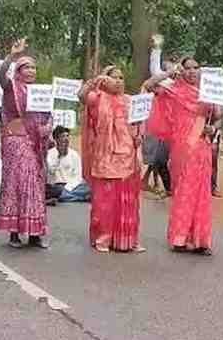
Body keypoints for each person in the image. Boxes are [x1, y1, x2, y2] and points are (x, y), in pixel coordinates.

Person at [145, 57, 222, 255]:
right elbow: (149, 85)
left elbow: (219, 116)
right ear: (182, 70)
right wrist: (169, 74)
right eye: (187, 68)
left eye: (195, 68)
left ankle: (200, 240)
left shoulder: (209, 92)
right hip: (182, 146)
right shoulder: (174, 90)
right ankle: (179, 237)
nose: (192, 71)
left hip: (202, 146)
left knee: (201, 192)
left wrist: (213, 127)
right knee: (184, 189)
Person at [80, 68, 145, 253]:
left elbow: (138, 126)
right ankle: (103, 239)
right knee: (106, 201)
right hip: (105, 156)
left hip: (127, 155)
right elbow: (81, 96)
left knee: (128, 200)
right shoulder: (97, 98)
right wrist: (94, 81)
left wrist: (138, 137)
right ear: (104, 79)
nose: (118, 81)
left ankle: (128, 240)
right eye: (113, 77)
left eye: (121, 78)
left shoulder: (130, 101)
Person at [0, 38, 52, 249]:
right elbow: (1, 76)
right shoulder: (11, 87)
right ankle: (14, 233)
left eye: (33, 67)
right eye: (26, 67)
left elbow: (48, 116)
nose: (30, 71)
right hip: (16, 140)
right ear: (18, 70)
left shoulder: (40, 92)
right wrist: (12, 56)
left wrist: (48, 129)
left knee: (35, 185)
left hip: (35, 143)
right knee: (18, 184)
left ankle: (35, 233)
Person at [143, 35, 176, 197]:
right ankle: (169, 188)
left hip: (179, 128)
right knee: (160, 159)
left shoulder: (181, 85)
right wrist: (156, 49)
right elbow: (153, 76)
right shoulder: (166, 84)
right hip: (162, 128)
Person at [45, 126, 90, 204]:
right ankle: (74, 197)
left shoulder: (74, 154)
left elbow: (78, 176)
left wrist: (68, 188)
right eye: (63, 136)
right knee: (53, 190)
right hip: (55, 185)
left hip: (71, 185)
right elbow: (50, 172)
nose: (66, 139)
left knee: (88, 188)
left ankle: (63, 197)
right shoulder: (49, 154)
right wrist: (59, 158)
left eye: (67, 136)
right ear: (56, 139)